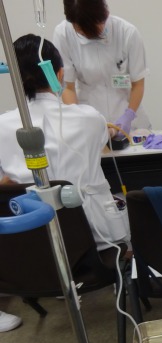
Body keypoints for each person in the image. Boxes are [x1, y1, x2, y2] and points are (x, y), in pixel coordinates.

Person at [0, 34, 130, 250]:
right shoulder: (89, 118)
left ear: (14, 77)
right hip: (96, 240)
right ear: (59, 74)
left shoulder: (2, 125)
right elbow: (101, 142)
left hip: (30, 244)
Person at [52, 0, 151, 137]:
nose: (89, 33)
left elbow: (138, 84)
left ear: (105, 13)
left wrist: (129, 115)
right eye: (81, 30)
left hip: (130, 122)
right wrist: (79, 120)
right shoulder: (63, 35)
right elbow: (67, 87)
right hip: (91, 121)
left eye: (96, 26)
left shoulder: (127, 33)